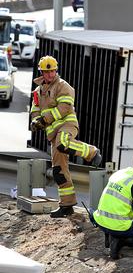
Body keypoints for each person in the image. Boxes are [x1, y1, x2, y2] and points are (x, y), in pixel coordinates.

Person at [29, 55, 102, 218]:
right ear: (41, 71)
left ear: (56, 70)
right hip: (52, 134)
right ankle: (67, 204)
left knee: (64, 143)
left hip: (67, 125)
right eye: (47, 72)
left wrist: (44, 119)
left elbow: (64, 108)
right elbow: (35, 110)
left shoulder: (63, 86)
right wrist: (36, 121)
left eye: (53, 71)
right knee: (58, 172)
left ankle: (92, 152)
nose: (50, 75)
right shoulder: (37, 91)